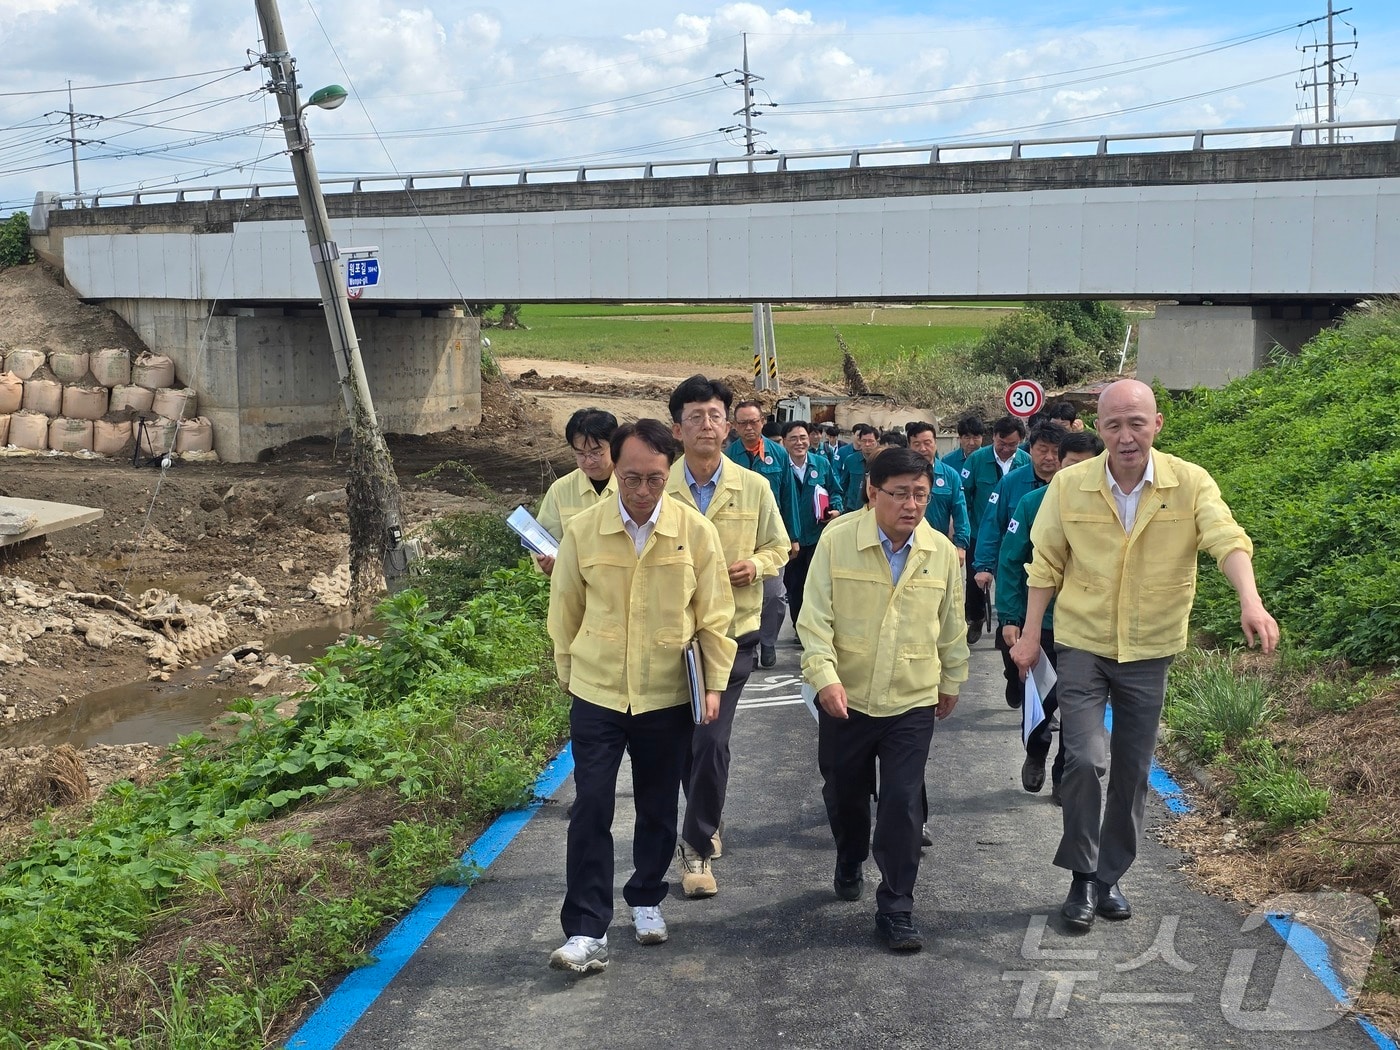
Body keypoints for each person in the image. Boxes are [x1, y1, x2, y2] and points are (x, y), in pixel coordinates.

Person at [1010, 379, 1279, 931]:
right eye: (1113, 425)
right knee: (1085, 759)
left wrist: (1250, 601)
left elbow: (1227, 539)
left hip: (1151, 647)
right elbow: (1045, 564)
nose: (1126, 436)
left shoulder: (1188, 482)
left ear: (1156, 424)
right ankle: (1082, 876)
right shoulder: (1070, 486)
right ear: (1098, 429)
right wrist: (1031, 633)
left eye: (1137, 423)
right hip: (1083, 641)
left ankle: (1109, 876)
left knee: (1132, 771)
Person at [546, 419, 738, 974]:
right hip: (599, 692)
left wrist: (714, 687)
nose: (643, 491)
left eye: (655, 479)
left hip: (667, 693)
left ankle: (647, 897)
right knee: (591, 807)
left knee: (657, 805)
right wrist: (569, 670)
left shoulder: (694, 532)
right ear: (615, 467)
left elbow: (714, 617)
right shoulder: (584, 530)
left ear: (668, 472)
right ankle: (585, 930)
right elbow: (565, 610)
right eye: (632, 478)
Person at [798, 448, 970, 953]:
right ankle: (849, 855)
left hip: (911, 698)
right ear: (873, 492)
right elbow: (814, 620)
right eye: (899, 494)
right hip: (845, 698)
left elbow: (951, 624)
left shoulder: (939, 550)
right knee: (845, 793)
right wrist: (823, 677)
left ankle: (896, 906)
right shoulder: (837, 540)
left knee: (901, 801)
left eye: (921, 494)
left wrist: (952, 679)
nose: (912, 505)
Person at [668, 376, 790, 899]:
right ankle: (706, 813)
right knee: (683, 745)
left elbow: (780, 546)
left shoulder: (754, 485)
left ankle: (695, 849)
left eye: (715, 415)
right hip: (670, 638)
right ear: (677, 428)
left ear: (729, 424)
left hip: (730, 636)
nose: (706, 425)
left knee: (712, 741)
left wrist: (756, 564)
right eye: (694, 416)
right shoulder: (658, 486)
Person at [995, 429, 1104, 804]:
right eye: (1071, 466)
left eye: (1087, 467)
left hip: (1087, 629)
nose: (1079, 475)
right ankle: (1037, 749)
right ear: (1058, 465)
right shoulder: (1033, 503)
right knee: (1041, 700)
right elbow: (1010, 562)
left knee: (1079, 709)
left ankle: (1063, 776)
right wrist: (1010, 616)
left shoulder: (1112, 510)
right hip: (1041, 623)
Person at [971, 423, 1066, 707]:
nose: (1049, 457)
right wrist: (984, 565)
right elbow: (991, 524)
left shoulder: (1072, 487)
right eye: (1042, 450)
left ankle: (1046, 703)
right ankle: (1014, 675)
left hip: (1058, 588)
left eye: (1055, 452)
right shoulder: (1011, 484)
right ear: (1031, 450)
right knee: (1011, 636)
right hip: (1017, 581)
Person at [726, 399, 800, 669]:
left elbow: (788, 495)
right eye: (743, 423)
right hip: (739, 534)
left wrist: (793, 535)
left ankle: (768, 640)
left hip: (771, 535)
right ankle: (749, 647)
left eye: (754, 422)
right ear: (734, 426)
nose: (749, 428)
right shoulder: (728, 456)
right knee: (742, 594)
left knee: (774, 595)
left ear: (762, 423)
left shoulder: (778, 454)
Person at [960, 415, 1030, 643]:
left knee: (1013, 582)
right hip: (980, 534)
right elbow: (964, 497)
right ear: (993, 437)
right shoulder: (977, 460)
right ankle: (976, 618)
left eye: (1012, 444)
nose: (1006, 449)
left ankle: (1009, 625)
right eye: (1002, 443)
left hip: (1015, 538)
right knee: (975, 581)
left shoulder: (1027, 462)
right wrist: (967, 528)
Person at [535, 408, 618, 575]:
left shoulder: (632, 486)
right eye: (580, 453)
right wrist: (548, 564)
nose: (588, 461)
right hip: (574, 588)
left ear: (615, 445)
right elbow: (543, 540)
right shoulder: (561, 490)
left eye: (596, 453)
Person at [779, 419, 843, 633]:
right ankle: (799, 627)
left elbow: (835, 490)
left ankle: (815, 628)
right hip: (789, 537)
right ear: (784, 442)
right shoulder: (779, 466)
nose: (799, 442)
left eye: (803, 438)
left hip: (817, 535)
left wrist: (836, 508)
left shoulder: (821, 464)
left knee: (817, 584)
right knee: (794, 585)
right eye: (793, 439)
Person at [905, 420, 970, 561]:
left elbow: (960, 511)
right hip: (905, 545)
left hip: (938, 545)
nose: (922, 449)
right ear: (909, 446)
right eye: (916, 444)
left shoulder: (950, 475)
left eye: (927, 443)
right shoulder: (901, 475)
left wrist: (960, 545)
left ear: (935, 444)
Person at [838, 423, 879, 512]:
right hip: (852, 509)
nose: (867, 444)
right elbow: (843, 486)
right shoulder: (850, 460)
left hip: (874, 509)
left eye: (871, 441)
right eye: (864, 441)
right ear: (859, 441)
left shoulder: (883, 460)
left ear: (877, 441)